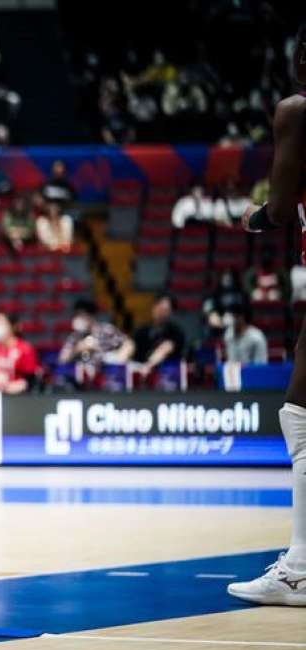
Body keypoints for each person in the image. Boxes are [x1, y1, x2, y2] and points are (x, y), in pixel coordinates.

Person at [228, 24, 306, 606]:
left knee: (300, 417)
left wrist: (255, 215)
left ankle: (300, 569)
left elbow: (279, 210)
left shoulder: (297, 110)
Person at [58, 299, 134, 367]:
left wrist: (120, 356)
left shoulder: (106, 330)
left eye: (81, 315)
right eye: (76, 315)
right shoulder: (75, 336)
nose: (78, 318)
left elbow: (128, 343)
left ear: (91, 316)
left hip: (108, 375)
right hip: (84, 376)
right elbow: (62, 359)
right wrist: (77, 348)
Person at [0, 312, 39, 394]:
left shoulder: (25, 349)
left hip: (20, 398)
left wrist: (12, 387)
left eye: (1, 323)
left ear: (12, 326)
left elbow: (31, 379)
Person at [132, 293, 186, 378]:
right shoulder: (141, 331)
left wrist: (148, 365)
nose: (161, 313)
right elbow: (132, 349)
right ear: (153, 308)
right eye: (159, 308)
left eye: (165, 310)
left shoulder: (176, 332)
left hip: (167, 377)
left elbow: (166, 348)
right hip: (141, 376)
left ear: (170, 312)